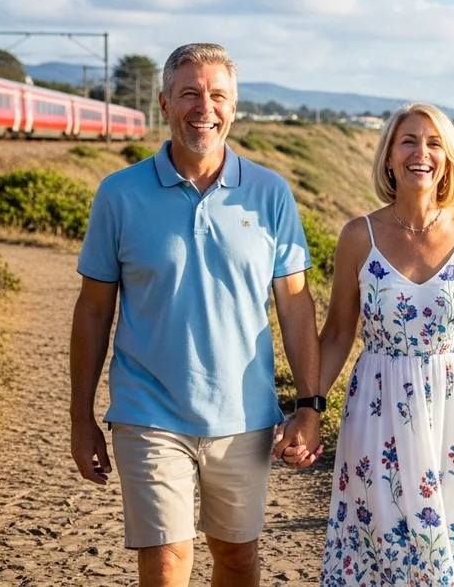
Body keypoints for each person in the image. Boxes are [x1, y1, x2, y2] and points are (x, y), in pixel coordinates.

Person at [69, 42, 324, 587]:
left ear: (234, 106)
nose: (203, 107)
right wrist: (80, 416)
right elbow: (93, 310)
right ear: (164, 102)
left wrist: (309, 405)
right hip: (148, 411)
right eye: (189, 93)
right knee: (166, 563)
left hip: (244, 417)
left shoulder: (270, 193)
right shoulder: (118, 194)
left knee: (236, 560)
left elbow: (296, 303)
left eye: (217, 95)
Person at [305, 101, 454, 586]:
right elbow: (339, 333)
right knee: (386, 547)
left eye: (434, 144)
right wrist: (309, 409)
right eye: (408, 141)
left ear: (447, 159)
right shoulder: (357, 236)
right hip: (378, 412)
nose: (420, 153)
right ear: (388, 156)